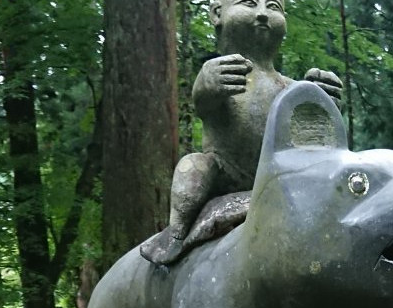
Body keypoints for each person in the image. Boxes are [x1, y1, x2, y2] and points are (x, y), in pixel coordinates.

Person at [142, 0, 342, 266]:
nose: (261, 14)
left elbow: (312, 138)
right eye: (248, 4)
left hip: (279, 179)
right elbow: (203, 102)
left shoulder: (290, 87)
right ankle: (175, 234)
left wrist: (319, 98)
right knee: (191, 168)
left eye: (273, 7)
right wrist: (208, 82)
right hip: (224, 170)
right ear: (216, 14)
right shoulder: (219, 74)